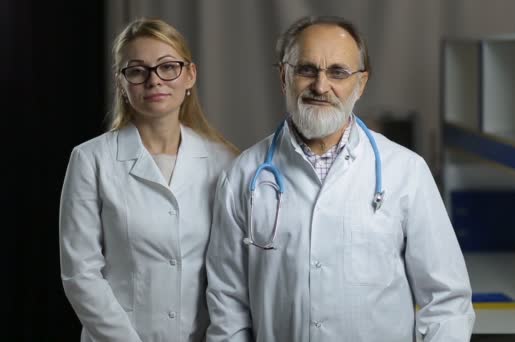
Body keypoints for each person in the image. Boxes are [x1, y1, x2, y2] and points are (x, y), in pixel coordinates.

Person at [205, 15, 475, 341]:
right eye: (306, 70)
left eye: (338, 72)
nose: (321, 86)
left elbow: (446, 299)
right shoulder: (241, 177)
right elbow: (227, 306)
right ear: (283, 76)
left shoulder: (406, 172)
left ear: (360, 83)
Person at [59, 18, 237, 342]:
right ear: (121, 83)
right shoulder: (90, 160)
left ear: (190, 76)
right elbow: (80, 274)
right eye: (138, 71)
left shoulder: (224, 161)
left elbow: (233, 273)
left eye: (168, 67)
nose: (155, 81)